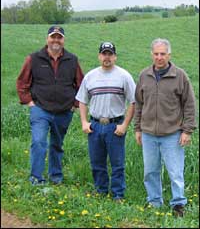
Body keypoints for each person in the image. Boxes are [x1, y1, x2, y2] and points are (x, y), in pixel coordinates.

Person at [134, 38, 196, 216]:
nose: (159, 57)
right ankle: (154, 202)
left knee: (175, 172)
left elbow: (190, 104)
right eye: (156, 54)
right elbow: (139, 104)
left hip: (172, 133)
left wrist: (187, 130)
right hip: (148, 134)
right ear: (151, 55)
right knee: (150, 171)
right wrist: (137, 128)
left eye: (163, 54)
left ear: (169, 54)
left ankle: (178, 204)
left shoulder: (180, 76)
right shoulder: (144, 75)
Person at [16, 26, 84, 185]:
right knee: (39, 141)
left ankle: (55, 177)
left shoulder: (72, 60)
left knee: (56, 145)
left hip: (64, 111)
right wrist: (29, 102)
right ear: (47, 39)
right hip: (40, 109)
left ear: (63, 40)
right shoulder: (33, 59)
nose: (56, 40)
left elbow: (81, 84)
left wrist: (74, 104)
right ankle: (36, 178)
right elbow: (22, 82)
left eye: (59, 37)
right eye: (53, 37)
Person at [75, 41, 136, 201]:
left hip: (115, 126)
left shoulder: (124, 76)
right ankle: (101, 191)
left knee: (117, 164)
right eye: (104, 54)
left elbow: (134, 101)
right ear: (99, 56)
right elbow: (82, 100)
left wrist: (125, 125)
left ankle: (118, 195)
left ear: (115, 57)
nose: (106, 57)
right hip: (94, 125)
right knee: (97, 162)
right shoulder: (90, 76)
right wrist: (83, 121)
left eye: (110, 54)